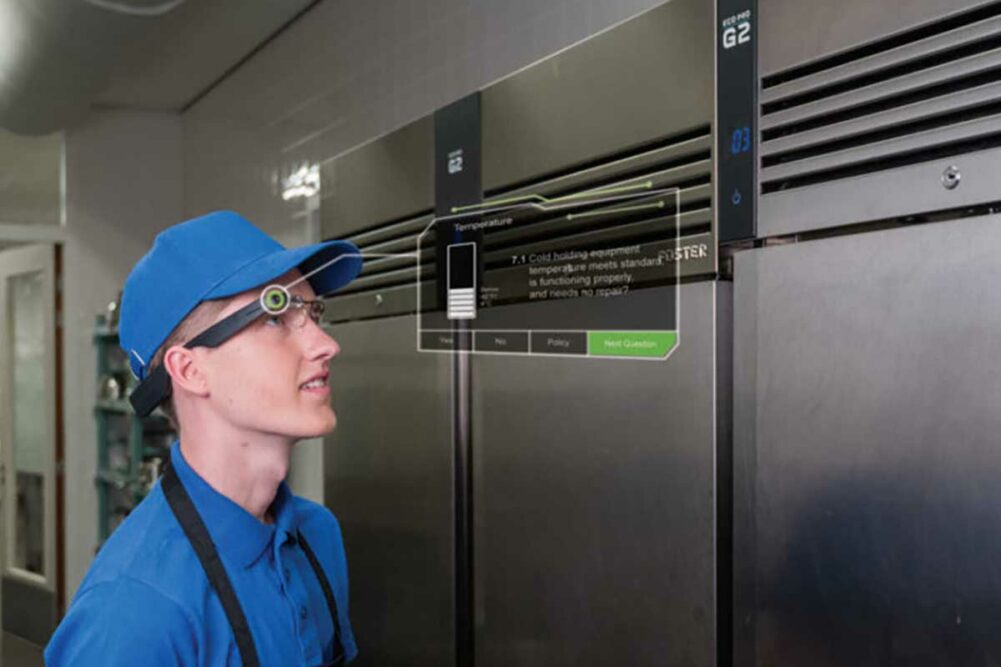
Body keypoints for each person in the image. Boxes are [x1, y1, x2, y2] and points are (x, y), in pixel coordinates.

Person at [45, 210, 363, 666]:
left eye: (314, 312)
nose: (325, 344)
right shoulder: (133, 615)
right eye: (275, 315)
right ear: (190, 370)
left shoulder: (317, 536)